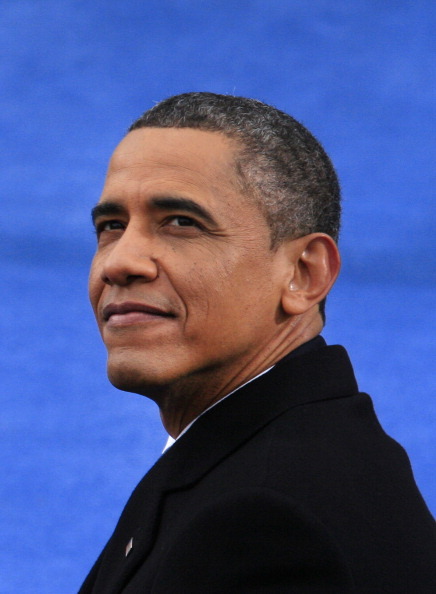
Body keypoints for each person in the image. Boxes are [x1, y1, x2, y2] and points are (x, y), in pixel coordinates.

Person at [79, 92, 435, 593]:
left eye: (181, 222)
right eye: (111, 226)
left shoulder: (269, 516)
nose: (120, 261)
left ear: (304, 274)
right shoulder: (260, 463)